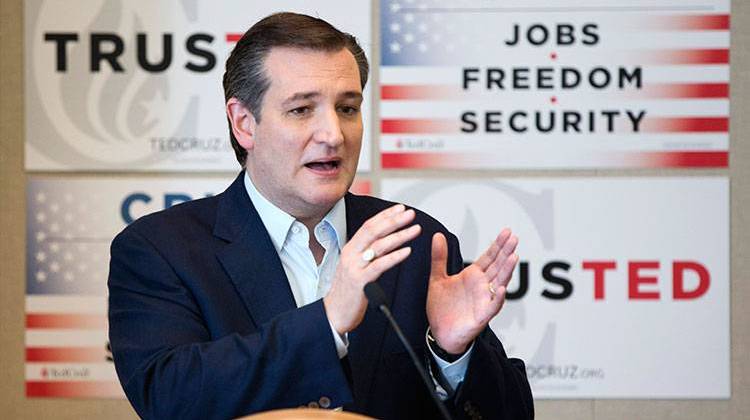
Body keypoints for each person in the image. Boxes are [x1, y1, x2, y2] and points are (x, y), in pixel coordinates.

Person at [108, 12, 533, 420]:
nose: (333, 135)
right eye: (301, 110)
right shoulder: (160, 250)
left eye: (347, 108)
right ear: (244, 124)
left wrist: (452, 353)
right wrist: (328, 322)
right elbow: (170, 400)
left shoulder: (416, 243)